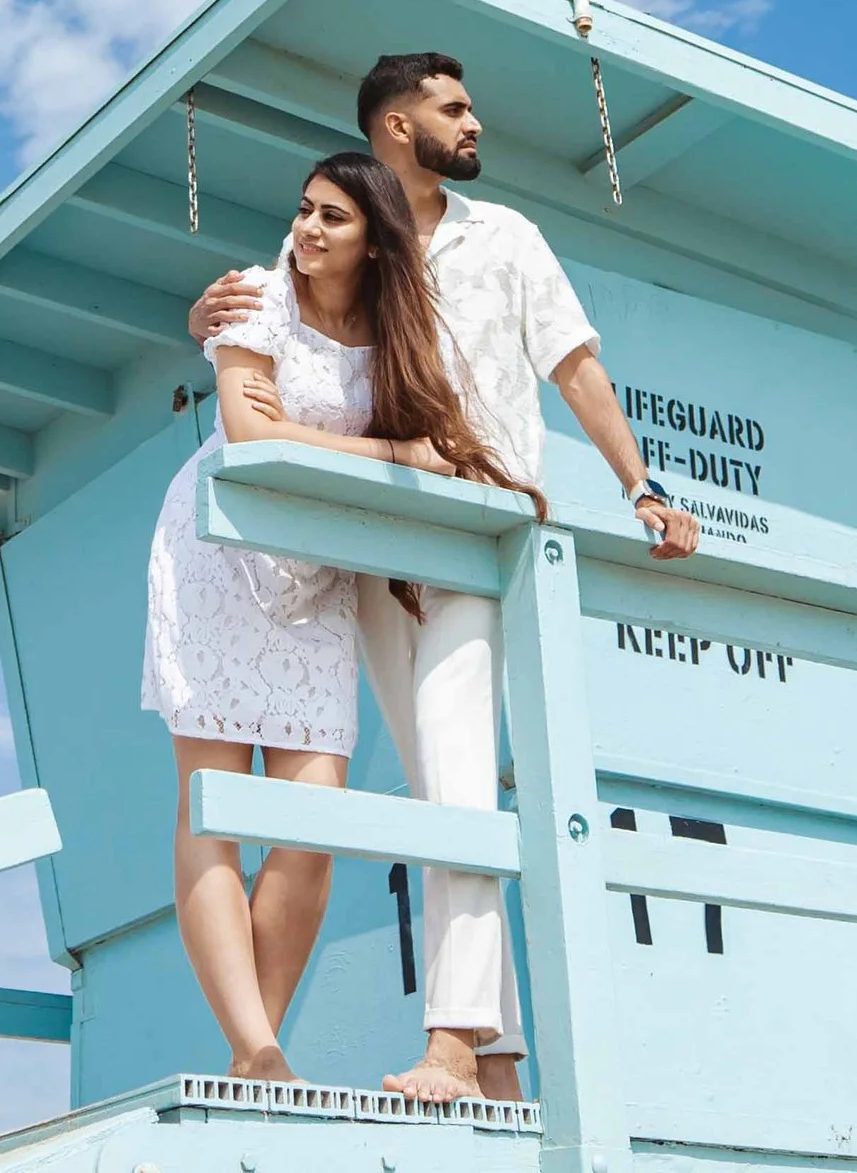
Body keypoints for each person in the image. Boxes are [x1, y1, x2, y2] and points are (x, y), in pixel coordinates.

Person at [191, 51, 700, 1104]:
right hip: (373, 544)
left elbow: (572, 363)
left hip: (478, 525)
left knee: (461, 763)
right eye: (452, 109)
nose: (474, 124)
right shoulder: (343, 243)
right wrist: (204, 318)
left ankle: (457, 1039)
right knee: (435, 787)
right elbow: (260, 333)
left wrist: (641, 485)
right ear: (394, 130)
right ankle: (502, 1056)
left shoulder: (503, 235)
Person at [142, 150, 518, 1085]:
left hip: (316, 584)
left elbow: (436, 447)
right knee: (212, 806)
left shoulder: (398, 336)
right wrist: (389, 452)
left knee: (311, 823)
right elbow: (251, 433)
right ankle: (261, 1052)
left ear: (377, 242)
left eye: (333, 219)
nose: (308, 230)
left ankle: (249, 1052)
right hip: (218, 557)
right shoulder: (256, 297)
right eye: (304, 209)